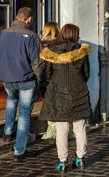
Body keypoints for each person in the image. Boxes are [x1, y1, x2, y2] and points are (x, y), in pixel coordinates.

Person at [0, 7, 42, 160]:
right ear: (29, 19)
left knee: (11, 101)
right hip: (26, 80)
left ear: (16, 17)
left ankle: (7, 132)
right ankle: (19, 150)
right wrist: (39, 78)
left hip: (7, 79)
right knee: (25, 114)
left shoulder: (0, 35)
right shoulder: (31, 36)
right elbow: (36, 62)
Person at [39, 24, 92, 171]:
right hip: (78, 94)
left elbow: (48, 75)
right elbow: (86, 74)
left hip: (58, 95)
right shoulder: (81, 51)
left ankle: (62, 162)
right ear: (75, 35)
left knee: (61, 131)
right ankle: (80, 158)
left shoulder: (52, 52)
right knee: (80, 129)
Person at [40, 21, 60, 140]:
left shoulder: (42, 44)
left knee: (49, 105)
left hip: (46, 80)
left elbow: (45, 66)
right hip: (58, 79)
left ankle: (52, 130)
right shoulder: (60, 44)